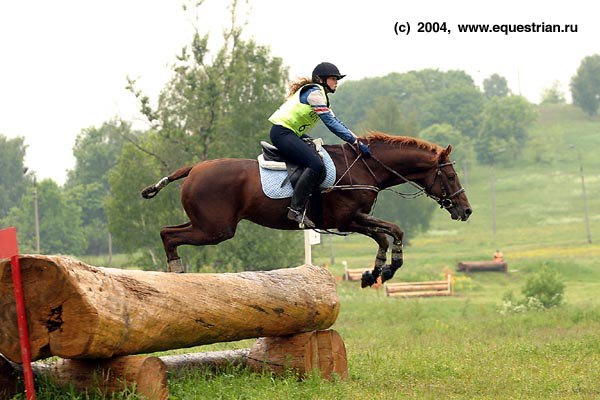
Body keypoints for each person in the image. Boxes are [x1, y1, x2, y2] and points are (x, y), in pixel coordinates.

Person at [268, 62, 371, 228]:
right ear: (321, 79)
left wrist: (356, 140)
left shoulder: (321, 96)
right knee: (315, 163)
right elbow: (330, 123)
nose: (336, 82)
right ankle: (295, 210)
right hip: (283, 133)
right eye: (333, 78)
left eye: (337, 79)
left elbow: (337, 121)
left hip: (291, 133)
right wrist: (354, 142)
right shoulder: (314, 93)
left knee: (320, 156)